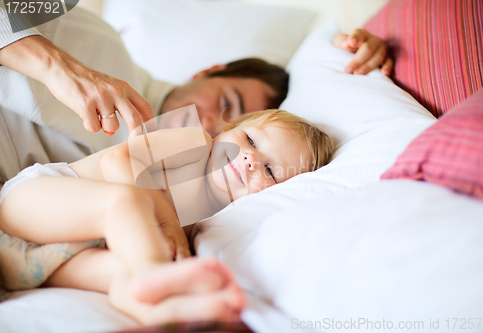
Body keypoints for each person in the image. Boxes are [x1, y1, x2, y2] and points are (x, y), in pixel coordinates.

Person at [0, 109, 335, 324]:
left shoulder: (212, 222)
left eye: (270, 170)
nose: (249, 157)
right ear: (227, 129)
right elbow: (118, 163)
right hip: (32, 203)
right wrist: (168, 225)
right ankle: (151, 274)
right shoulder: (196, 143)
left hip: (32, 264)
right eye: (249, 139)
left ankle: (162, 313)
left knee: (121, 275)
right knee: (128, 202)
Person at [0, 5, 392, 187]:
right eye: (227, 105)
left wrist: (345, 50)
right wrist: (56, 67)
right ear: (208, 72)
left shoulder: (186, 187)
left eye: (236, 128)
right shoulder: (101, 48)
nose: (213, 130)